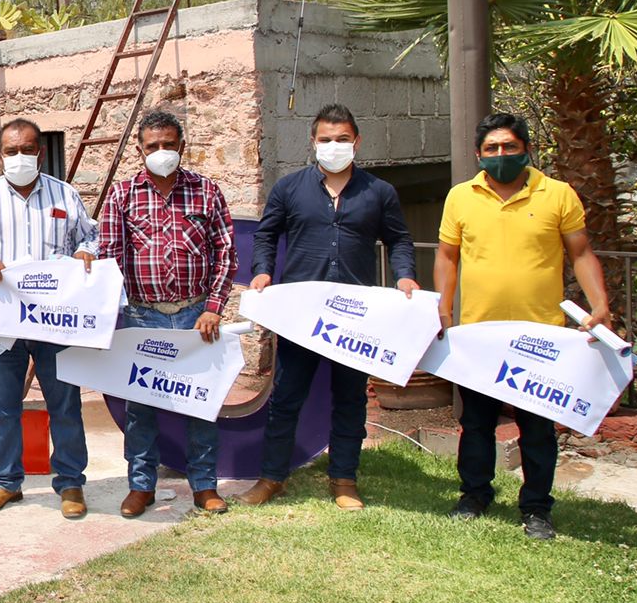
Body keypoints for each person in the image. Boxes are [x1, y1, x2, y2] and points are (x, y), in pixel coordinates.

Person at [434, 112, 611, 541]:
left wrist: (600, 304)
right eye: (491, 148)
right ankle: (474, 494)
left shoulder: (558, 194)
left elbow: (581, 252)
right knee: (476, 423)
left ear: (526, 149)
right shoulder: (461, 197)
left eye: (509, 147)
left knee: (537, 428)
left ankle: (536, 507)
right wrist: (443, 309)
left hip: (540, 337)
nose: (500, 155)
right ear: (478, 154)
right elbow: (447, 256)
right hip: (479, 336)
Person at [239, 104, 418, 511]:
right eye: (325, 140)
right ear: (313, 143)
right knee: (286, 397)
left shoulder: (379, 192)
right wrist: (263, 271)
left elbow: (400, 240)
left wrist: (405, 274)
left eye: (341, 139)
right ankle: (272, 478)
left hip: (355, 319)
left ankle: (344, 480)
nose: (333, 146)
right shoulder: (289, 189)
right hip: (303, 317)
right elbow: (266, 236)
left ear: (357, 142)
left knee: (351, 398)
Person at [0, 118, 98, 519]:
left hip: (53, 320)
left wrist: (85, 252)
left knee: (64, 402)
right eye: (12, 151)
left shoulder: (65, 195)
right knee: (0, 404)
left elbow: (92, 235)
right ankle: (6, 482)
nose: (20, 157)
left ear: (40, 153)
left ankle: (71, 483)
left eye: (28, 150)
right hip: (3, 321)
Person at [98, 110, 238, 518]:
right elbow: (110, 258)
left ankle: (205, 486)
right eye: (153, 146)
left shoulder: (206, 192)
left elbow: (226, 254)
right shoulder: (123, 195)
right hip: (144, 317)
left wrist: (213, 307)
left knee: (200, 403)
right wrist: (116, 315)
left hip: (197, 316)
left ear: (182, 145)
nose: (162, 152)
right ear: (140, 150)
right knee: (140, 406)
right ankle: (141, 485)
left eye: (169, 144)